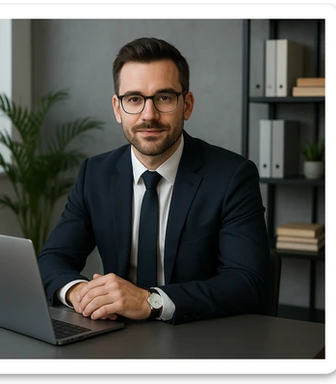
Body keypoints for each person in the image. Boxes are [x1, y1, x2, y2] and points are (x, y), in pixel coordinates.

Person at [37, 37, 270, 325]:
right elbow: (52, 259)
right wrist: (80, 293)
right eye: (134, 99)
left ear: (187, 104)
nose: (149, 115)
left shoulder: (232, 176)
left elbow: (249, 282)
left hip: (198, 336)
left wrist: (151, 301)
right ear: (117, 108)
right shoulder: (94, 174)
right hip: (114, 337)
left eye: (164, 98)